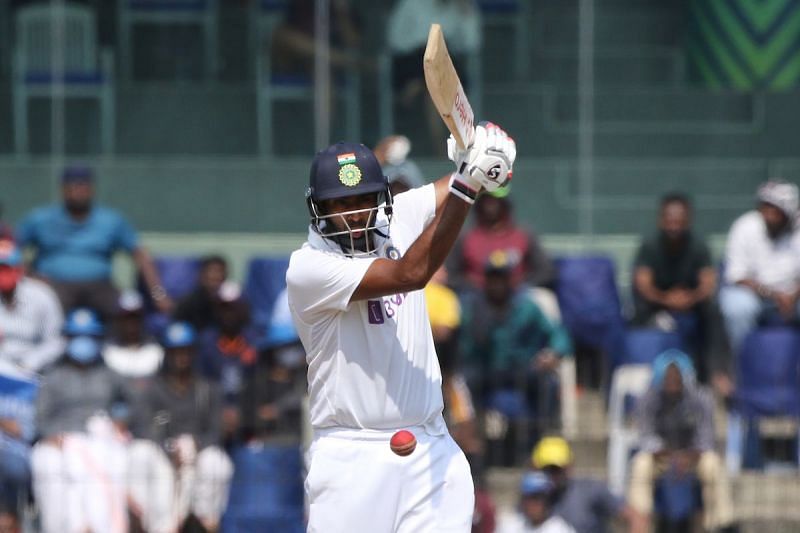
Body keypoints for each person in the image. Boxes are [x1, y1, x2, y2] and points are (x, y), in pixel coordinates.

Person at [286, 123, 515, 531]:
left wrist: (483, 158)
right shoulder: (309, 269)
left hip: (430, 447)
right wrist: (468, 184)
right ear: (318, 208)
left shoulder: (397, 218)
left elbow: (453, 184)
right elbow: (412, 273)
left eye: (364, 199)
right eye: (340, 204)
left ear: (383, 196)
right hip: (352, 457)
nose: (354, 212)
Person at [14, 165, 171, 319]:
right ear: (63, 189)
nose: (78, 191)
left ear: (92, 189)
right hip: (54, 285)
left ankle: (121, 346)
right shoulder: (41, 219)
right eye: (73, 186)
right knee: (39, 305)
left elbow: (140, 255)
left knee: (128, 309)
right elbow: (11, 248)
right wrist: (29, 275)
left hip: (100, 286)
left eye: (83, 185)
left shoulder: (110, 220)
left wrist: (158, 294)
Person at [460, 251, 572, 456]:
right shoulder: (475, 307)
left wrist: (553, 354)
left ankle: (538, 441)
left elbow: (558, 335)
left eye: (502, 278)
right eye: (493, 278)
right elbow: (463, 345)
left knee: (547, 383)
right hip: (488, 369)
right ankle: (474, 445)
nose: (497, 284)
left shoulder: (526, 306)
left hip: (523, 368)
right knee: (466, 381)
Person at [31, 308, 131, 533]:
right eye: (77, 337)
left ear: (98, 339)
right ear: (67, 339)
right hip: (64, 441)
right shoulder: (54, 375)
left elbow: (131, 404)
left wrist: (122, 419)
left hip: (101, 440)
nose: (83, 343)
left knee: (117, 464)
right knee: (49, 464)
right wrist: (52, 435)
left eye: (89, 337)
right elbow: (40, 418)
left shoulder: (109, 373)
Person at [128, 321, 233, 533]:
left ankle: (206, 522)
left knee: (217, 462)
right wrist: (168, 448)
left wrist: (195, 444)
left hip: (197, 454)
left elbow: (215, 429)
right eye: (175, 351)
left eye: (186, 351)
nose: (181, 357)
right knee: (140, 453)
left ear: (194, 352)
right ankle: (154, 525)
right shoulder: (152, 389)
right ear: (167, 353)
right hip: (163, 455)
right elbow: (141, 427)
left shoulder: (207, 389)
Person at [628, 350, 736, 532]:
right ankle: (640, 524)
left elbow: (706, 438)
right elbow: (645, 436)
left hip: (693, 457)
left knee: (713, 465)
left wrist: (688, 457)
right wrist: (666, 454)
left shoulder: (701, 398)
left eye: (676, 377)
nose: (672, 381)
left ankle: (720, 523)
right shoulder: (648, 398)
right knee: (640, 464)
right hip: (661, 457)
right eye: (667, 377)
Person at [632, 193, 716, 382]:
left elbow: (708, 283)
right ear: (661, 220)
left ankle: (705, 377)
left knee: (712, 312)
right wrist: (667, 299)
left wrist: (690, 299)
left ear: (688, 221)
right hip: (655, 307)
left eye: (679, 222)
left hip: (691, 307)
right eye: (669, 221)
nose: (674, 227)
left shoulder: (698, 246)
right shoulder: (650, 246)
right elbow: (643, 284)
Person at [449, 188, 560, 322]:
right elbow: (451, 275)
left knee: (545, 300)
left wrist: (519, 284)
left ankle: (551, 343)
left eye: (495, 201)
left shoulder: (523, 235)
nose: (491, 206)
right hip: (476, 295)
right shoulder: (466, 237)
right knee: (451, 304)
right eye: (487, 200)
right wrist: (476, 285)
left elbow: (545, 271)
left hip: (518, 294)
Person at [387, 0, 481, 151]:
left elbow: (471, 43)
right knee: (433, 73)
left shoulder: (462, 8)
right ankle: (439, 144)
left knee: (438, 82)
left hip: (446, 63)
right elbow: (395, 39)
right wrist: (426, 45)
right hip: (413, 60)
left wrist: (466, 13)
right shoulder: (411, 4)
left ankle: (416, 87)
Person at [719, 180, 800, 353]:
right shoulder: (746, 225)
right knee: (737, 306)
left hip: (794, 296)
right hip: (754, 294)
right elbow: (737, 276)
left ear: (788, 212)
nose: (768, 215)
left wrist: (793, 295)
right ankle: (744, 362)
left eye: (775, 210)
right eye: (765, 208)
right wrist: (774, 294)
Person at [532, 437, 641, 533]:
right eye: (546, 470)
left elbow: (635, 518)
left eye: (556, 469)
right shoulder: (532, 501)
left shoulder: (590, 490)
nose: (551, 475)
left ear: (569, 467)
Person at [0, 240, 64, 372]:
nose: (3, 273)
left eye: (7, 269)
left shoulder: (41, 295)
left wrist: (28, 365)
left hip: (34, 369)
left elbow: (56, 341)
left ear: (19, 270)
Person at [496, 471, 576, 533]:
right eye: (528, 498)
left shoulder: (561, 529)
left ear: (547, 501)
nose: (533, 504)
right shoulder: (510, 526)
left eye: (537, 498)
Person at [173, 254, 229, 331]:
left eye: (219, 271)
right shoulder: (190, 301)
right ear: (202, 275)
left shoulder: (231, 300)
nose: (215, 276)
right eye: (212, 271)